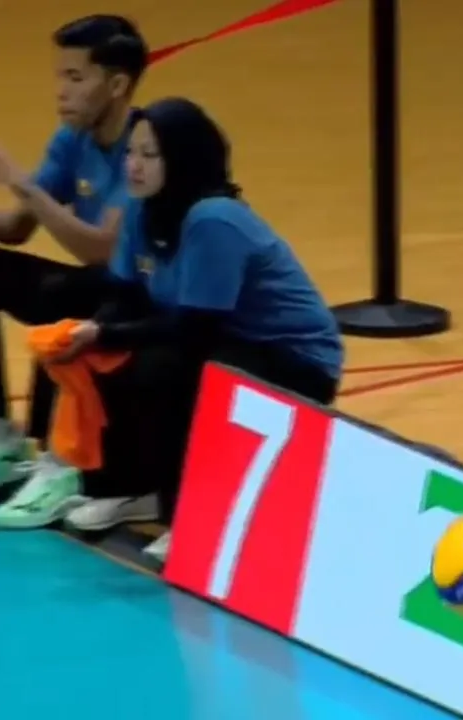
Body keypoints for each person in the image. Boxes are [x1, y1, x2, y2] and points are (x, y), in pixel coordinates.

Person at [53, 97, 344, 560]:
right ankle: (133, 489)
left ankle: (192, 515)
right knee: (106, 356)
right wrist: (90, 331)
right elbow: (124, 295)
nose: (133, 165)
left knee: (169, 370)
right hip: (224, 339)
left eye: (150, 155)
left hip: (295, 360)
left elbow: (195, 329)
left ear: (183, 159)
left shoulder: (214, 220)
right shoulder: (141, 210)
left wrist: (106, 334)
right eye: (131, 152)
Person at [0, 15, 148, 525]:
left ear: (117, 85)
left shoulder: (144, 149)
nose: (61, 91)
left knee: (70, 298)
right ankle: (0, 438)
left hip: (145, 300)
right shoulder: (72, 140)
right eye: (59, 76)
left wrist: (20, 182)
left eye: (76, 78)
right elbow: (18, 228)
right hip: (94, 288)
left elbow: (103, 250)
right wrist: (25, 195)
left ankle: (58, 466)